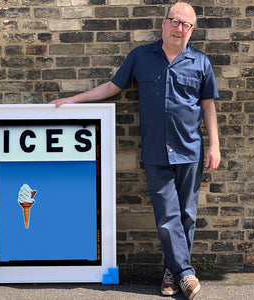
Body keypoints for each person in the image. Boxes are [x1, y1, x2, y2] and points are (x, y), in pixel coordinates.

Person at [50, 2, 220, 299]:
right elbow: (112, 87)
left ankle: (172, 274)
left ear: (192, 31)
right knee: (168, 216)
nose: (179, 29)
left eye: (186, 25)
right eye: (174, 21)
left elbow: (208, 106)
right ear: (164, 22)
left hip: (191, 149)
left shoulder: (201, 62)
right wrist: (75, 100)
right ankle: (186, 274)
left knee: (187, 216)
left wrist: (215, 145)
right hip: (156, 151)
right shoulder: (140, 57)